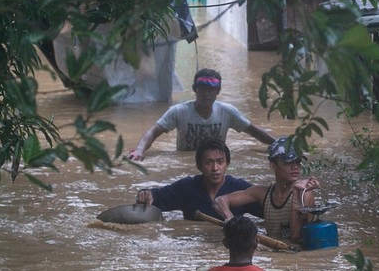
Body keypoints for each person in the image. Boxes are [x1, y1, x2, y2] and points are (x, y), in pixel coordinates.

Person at [127, 68, 275, 161]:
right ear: (194, 89)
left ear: (217, 92)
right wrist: (139, 151)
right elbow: (153, 132)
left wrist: (277, 144)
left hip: (216, 163)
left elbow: (254, 131)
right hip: (187, 160)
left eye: (211, 89)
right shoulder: (179, 111)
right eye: (202, 88)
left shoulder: (227, 111)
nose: (206, 93)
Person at [213, 136, 320, 242]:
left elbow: (295, 236)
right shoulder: (262, 193)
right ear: (273, 166)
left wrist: (296, 193)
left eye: (297, 161)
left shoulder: (305, 193)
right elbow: (219, 201)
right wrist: (231, 220)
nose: (295, 167)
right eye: (288, 162)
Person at [135, 138, 262, 220]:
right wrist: (145, 195)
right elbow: (154, 197)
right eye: (208, 162)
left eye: (220, 162)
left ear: (227, 164)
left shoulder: (241, 189)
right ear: (199, 166)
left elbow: (269, 212)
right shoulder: (186, 188)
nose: (215, 168)